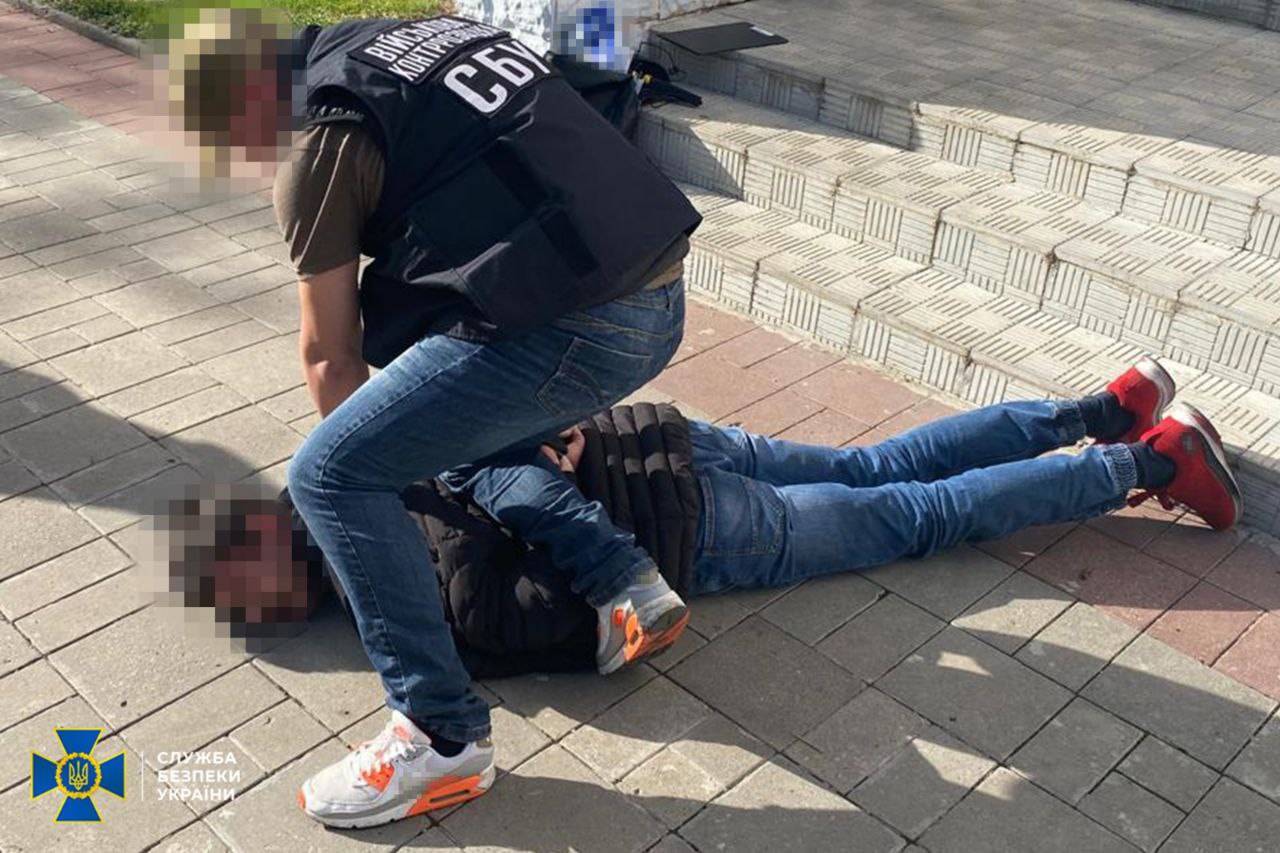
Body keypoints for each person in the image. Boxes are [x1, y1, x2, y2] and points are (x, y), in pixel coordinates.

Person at [164, 358, 1240, 825]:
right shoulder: (356, 461)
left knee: (917, 515)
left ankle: (1145, 461)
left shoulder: (398, 595)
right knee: (876, 462)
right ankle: (1104, 406)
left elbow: (539, 619)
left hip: (690, 527)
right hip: (655, 436)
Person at [159, 9, 703, 827]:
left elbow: (330, 360)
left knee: (330, 473)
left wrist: (381, 498)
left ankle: (440, 732)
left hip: (582, 326)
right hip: (652, 286)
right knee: (438, 425)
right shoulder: (406, 35)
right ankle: (620, 573)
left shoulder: (318, 153)